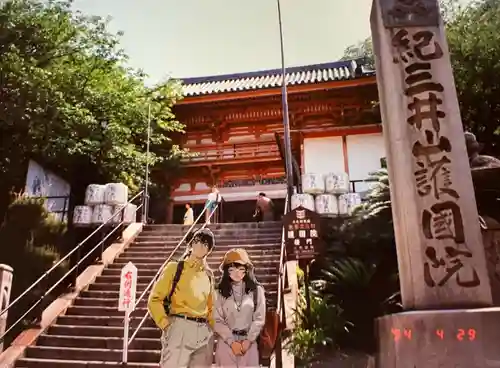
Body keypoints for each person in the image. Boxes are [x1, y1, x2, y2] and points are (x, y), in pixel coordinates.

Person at [148, 228, 216, 368]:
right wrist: (166, 325)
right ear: (190, 244)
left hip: (203, 332)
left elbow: (212, 308)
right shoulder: (175, 268)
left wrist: (215, 330)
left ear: (209, 250)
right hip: (179, 325)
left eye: (206, 244)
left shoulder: (209, 275)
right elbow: (154, 299)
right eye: (197, 241)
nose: (201, 246)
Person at [214, 248, 266, 367]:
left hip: (249, 344)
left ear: (246, 270)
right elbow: (217, 320)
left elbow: (259, 318)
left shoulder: (257, 291)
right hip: (226, 344)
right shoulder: (219, 292)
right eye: (232, 269)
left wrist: (248, 340)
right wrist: (232, 342)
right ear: (227, 271)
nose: (237, 272)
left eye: (241, 268)